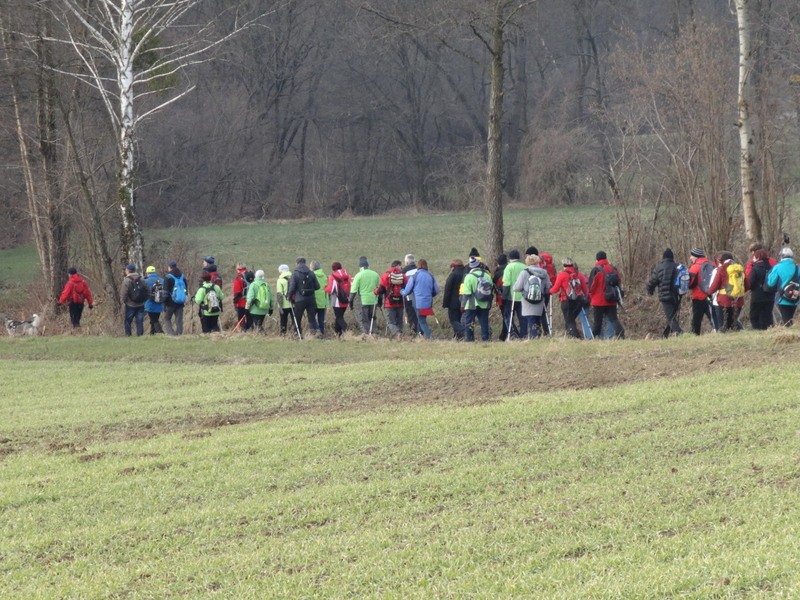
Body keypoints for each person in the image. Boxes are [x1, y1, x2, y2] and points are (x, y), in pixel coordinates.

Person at [547, 258, 588, 338]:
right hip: (578, 301)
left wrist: (548, 291)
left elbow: (555, 289)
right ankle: (570, 336)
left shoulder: (562, 275)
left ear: (564, 265)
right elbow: (585, 289)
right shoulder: (578, 275)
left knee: (569, 321)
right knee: (571, 320)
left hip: (566, 301)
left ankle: (575, 338)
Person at [646, 248, 683, 337]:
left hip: (665, 296)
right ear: (672, 257)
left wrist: (650, 291)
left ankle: (680, 333)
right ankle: (665, 335)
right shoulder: (677, 266)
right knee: (672, 315)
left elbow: (652, 282)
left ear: (663, 257)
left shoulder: (659, 267)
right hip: (676, 295)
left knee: (670, 317)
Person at [588, 251, 625, 339]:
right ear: (606, 258)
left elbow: (591, 287)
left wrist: (591, 295)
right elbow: (619, 281)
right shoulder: (613, 268)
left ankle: (594, 337)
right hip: (611, 298)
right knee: (613, 319)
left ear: (597, 259)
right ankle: (621, 333)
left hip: (599, 300)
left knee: (598, 321)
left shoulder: (596, 269)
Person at [513, 254, 551, 339]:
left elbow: (517, 287)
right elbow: (548, 287)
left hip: (527, 300)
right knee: (537, 320)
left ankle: (534, 339)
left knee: (530, 320)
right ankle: (537, 336)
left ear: (527, 262)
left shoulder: (524, 272)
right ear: (537, 262)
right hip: (539, 300)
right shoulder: (544, 273)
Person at [400, 258, 439, 339]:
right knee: (421, 318)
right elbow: (436, 290)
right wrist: (430, 295)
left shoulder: (415, 275)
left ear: (418, 265)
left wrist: (401, 291)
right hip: (428, 302)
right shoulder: (430, 275)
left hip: (418, 302)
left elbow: (407, 291)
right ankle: (419, 335)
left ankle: (429, 337)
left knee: (421, 321)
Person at [708, 252, 745, 332]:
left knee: (723, 325)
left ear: (721, 261)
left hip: (724, 301)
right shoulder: (739, 268)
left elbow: (714, 286)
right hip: (738, 300)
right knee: (734, 324)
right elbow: (747, 285)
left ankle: (723, 340)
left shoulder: (721, 269)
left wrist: (708, 293)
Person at [461, 256, 493, 342]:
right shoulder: (487, 275)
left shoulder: (468, 277)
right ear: (479, 265)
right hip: (485, 303)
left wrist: (463, 305)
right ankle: (485, 339)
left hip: (471, 304)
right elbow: (491, 289)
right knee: (484, 322)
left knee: (470, 323)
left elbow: (466, 294)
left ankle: (469, 339)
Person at [766, 247, 800, 326]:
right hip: (795, 298)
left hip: (782, 298)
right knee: (789, 318)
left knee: (786, 320)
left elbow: (771, 283)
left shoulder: (777, 267)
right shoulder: (797, 268)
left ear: (781, 256)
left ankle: (789, 335)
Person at [287, 257, 320, 337]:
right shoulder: (311, 273)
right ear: (305, 263)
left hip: (299, 299)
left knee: (297, 317)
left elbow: (292, 287)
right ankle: (314, 334)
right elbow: (317, 286)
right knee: (311, 318)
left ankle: (297, 334)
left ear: (297, 263)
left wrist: (289, 296)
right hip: (311, 299)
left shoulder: (295, 273)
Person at [349, 256, 381, 335]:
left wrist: (350, 303)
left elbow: (353, 291)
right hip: (374, 300)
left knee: (365, 319)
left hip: (364, 300)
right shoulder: (375, 274)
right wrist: (380, 301)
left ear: (360, 266)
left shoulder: (358, 275)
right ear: (368, 265)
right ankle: (374, 333)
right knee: (373, 317)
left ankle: (366, 334)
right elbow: (380, 289)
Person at [376, 260, 407, 338]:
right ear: (398, 266)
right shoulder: (403, 276)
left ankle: (397, 334)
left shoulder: (385, 275)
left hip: (389, 303)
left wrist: (375, 291)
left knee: (390, 322)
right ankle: (400, 335)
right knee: (399, 321)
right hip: (400, 302)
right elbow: (406, 287)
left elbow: (381, 290)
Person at [687, 248, 713, 335]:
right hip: (711, 296)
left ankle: (695, 335)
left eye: (692, 256)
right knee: (713, 317)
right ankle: (719, 331)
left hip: (698, 297)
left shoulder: (694, 267)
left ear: (696, 257)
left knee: (697, 319)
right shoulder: (712, 264)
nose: (690, 258)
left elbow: (690, 284)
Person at [747, 248, 775, 330]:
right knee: (767, 315)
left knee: (754, 315)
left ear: (757, 257)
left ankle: (757, 330)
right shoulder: (771, 268)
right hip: (770, 295)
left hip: (757, 295)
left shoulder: (755, 268)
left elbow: (751, 282)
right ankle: (768, 330)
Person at [502, 249, 525, 339]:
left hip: (511, 297)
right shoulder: (524, 266)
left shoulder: (509, 267)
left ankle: (512, 334)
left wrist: (504, 296)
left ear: (510, 258)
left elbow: (506, 283)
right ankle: (524, 335)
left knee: (508, 316)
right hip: (523, 296)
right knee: (522, 317)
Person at [324, 262, 351, 337]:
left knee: (339, 317)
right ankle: (338, 334)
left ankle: (347, 330)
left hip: (337, 301)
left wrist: (325, 289)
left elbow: (331, 289)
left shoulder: (332, 276)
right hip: (345, 300)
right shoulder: (347, 275)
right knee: (340, 316)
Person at [441, 259, 466, 340]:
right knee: (460, 319)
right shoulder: (466, 273)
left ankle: (462, 332)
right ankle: (458, 336)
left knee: (454, 320)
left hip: (453, 302)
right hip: (464, 301)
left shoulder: (453, 275)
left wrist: (445, 303)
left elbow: (447, 289)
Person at [120, 263, 146, 336]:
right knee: (140, 321)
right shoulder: (142, 279)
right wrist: (144, 300)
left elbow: (124, 293)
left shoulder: (126, 280)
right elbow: (147, 290)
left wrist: (125, 301)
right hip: (141, 304)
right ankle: (140, 335)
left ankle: (128, 335)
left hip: (130, 305)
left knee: (128, 321)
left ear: (128, 270)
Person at [163, 261, 187, 336]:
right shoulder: (183, 276)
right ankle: (179, 333)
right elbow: (186, 289)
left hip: (170, 302)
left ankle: (171, 333)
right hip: (180, 302)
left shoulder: (168, 277)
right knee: (179, 319)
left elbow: (165, 291)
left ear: (170, 267)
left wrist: (164, 302)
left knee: (167, 319)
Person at [143, 265, 165, 335]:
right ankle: (152, 333)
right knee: (154, 319)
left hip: (150, 303)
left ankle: (160, 332)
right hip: (160, 303)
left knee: (154, 320)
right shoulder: (162, 280)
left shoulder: (145, 281)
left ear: (147, 273)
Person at [232, 263, 253, 332]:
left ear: (238, 269)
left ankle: (243, 332)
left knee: (241, 319)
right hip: (252, 301)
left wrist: (235, 303)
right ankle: (252, 331)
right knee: (250, 318)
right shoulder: (252, 276)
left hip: (242, 302)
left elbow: (237, 292)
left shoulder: (238, 278)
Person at [402, 254, 419, 335]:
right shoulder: (419, 269)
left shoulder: (404, 271)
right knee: (419, 315)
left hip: (408, 297)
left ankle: (414, 332)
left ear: (406, 262)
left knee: (411, 315)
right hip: (420, 297)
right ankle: (420, 332)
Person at [311, 260, 328, 336]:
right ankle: (322, 332)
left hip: (314, 299)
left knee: (312, 318)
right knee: (321, 319)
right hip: (323, 300)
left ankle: (315, 332)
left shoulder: (311, 275)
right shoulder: (324, 275)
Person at [493, 254, 508, 340]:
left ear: (498, 263)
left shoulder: (498, 273)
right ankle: (505, 334)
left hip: (501, 298)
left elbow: (494, 285)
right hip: (513, 296)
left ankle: (505, 335)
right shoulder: (509, 269)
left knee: (505, 316)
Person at [276, 264, 293, 336]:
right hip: (293, 303)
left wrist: (280, 306)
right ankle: (296, 333)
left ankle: (283, 334)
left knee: (283, 321)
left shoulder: (280, 280)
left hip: (284, 304)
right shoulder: (293, 278)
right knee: (295, 320)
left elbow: (279, 294)